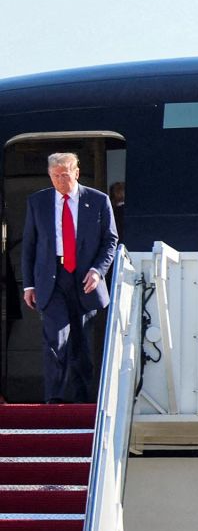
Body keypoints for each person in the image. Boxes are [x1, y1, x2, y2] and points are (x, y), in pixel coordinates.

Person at [21, 153, 119, 404]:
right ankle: (54, 398)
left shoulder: (98, 201)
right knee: (56, 336)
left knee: (81, 341)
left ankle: (82, 399)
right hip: (52, 278)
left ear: (76, 172)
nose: (60, 181)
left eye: (65, 174)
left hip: (85, 278)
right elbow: (30, 246)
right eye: (55, 176)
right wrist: (29, 284)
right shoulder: (38, 202)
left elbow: (111, 241)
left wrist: (98, 271)